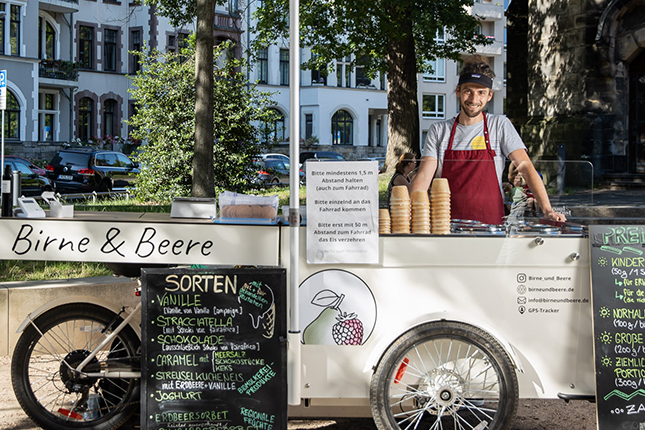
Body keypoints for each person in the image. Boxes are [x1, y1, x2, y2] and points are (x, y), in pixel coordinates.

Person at [410, 55, 566, 224]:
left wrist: (548, 210)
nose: (474, 99)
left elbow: (526, 168)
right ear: (458, 92)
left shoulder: (499, 125)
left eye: (481, 93)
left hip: (491, 225)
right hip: (447, 224)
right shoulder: (439, 130)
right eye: (468, 91)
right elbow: (423, 177)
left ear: (490, 95)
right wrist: (408, 212)